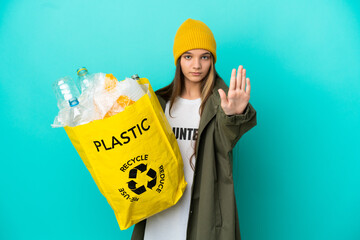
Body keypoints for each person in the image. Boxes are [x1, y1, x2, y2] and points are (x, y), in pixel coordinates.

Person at [131, 18, 257, 240]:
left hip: (202, 210)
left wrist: (234, 116)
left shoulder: (221, 104)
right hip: (161, 211)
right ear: (178, 60)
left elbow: (227, 139)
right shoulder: (159, 103)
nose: (196, 65)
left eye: (204, 57)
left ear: (212, 61)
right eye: (188, 56)